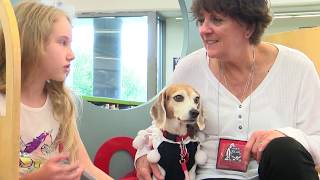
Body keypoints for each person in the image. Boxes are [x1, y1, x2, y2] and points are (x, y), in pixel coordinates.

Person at [135, 0, 320, 179]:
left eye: (216, 20)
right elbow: (162, 122)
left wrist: (284, 135)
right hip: (210, 174)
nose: (203, 30)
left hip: (272, 172)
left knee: (283, 149)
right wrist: (143, 153)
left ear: (248, 26)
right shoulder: (188, 68)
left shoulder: (298, 67)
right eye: (201, 20)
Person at [0, 1, 113, 179]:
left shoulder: (59, 104)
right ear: (32, 44)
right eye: (62, 42)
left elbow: (85, 166)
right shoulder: (2, 105)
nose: (72, 54)